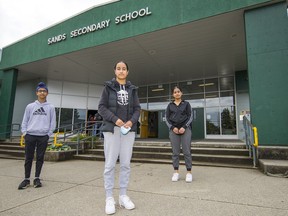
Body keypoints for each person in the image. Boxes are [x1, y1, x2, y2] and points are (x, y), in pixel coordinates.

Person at [98, 61, 140, 215]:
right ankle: (109, 198)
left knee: (125, 165)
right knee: (109, 165)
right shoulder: (108, 88)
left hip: (128, 131)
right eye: (118, 69)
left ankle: (123, 195)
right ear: (115, 71)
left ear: (127, 72)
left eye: (124, 69)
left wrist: (131, 121)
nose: (121, 71)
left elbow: (137, 109)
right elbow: (101, 107)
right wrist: (115, 119)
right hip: (112, 130)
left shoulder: (133, 89)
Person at [18, 82, 56, 189]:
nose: (42, 92)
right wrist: (25, 133)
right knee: (28, 158)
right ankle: (26, 179)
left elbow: (52, 123)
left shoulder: (51, 107)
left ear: (47, 93)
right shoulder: (30, 106)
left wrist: (48, 134)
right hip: (30, 135)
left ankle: (37, 178)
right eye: (40, 91)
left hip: (43, 136)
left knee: (40, 158)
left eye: (44, 91)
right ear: (36, 93)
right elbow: (25, 120)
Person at [165, 86, 193, 183]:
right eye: (175, 92)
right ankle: (176, 172)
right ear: (173, 94)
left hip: (185, 129)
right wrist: (173, 128)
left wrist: (184, 127)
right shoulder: (170, 105)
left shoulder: (186, 104)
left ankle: (189, 173)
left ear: (181, 93)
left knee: (186, 151)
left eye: (178, 91)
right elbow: (167, 118)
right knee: (175, 152)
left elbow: (190, 117)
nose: (177, 93)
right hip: (174, 130)